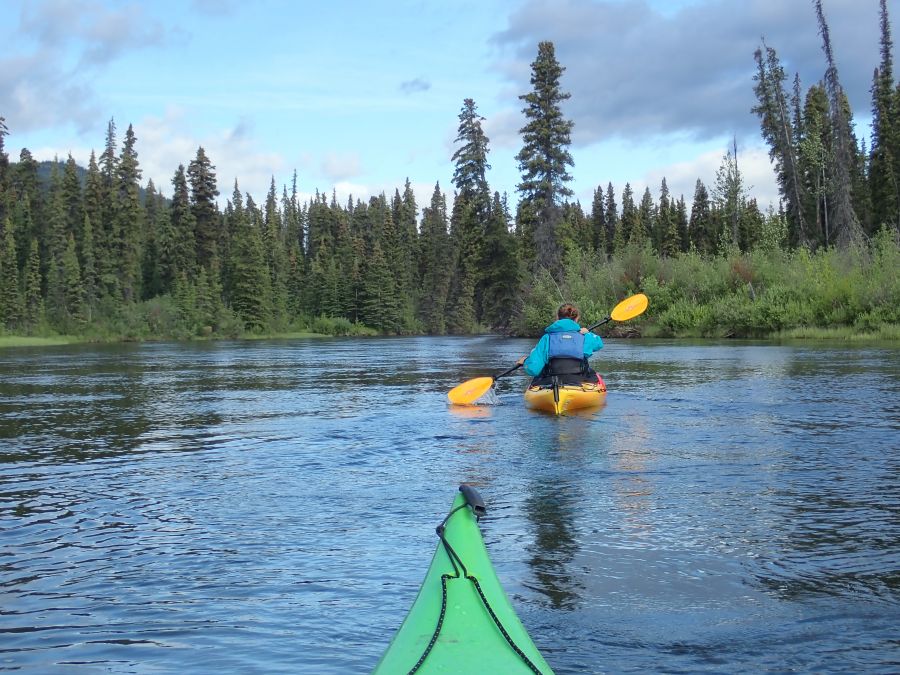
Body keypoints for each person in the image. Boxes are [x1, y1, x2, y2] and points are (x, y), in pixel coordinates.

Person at [516, 303, 604, 386]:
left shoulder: (546, 338)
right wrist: (588, 333)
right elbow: (599, 344)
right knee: (593, 373)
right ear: (577, 318)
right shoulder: (585, 336)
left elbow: (534, 369)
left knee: (538, 376)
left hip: (551, 380)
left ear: (557, 317)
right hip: (580, 379)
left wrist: (525, 361)